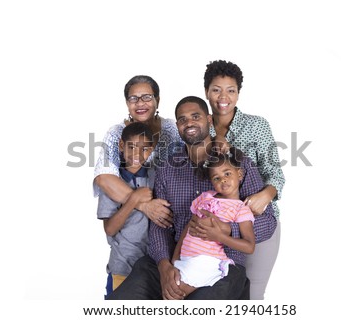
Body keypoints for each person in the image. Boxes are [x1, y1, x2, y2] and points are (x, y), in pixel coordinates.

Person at [107, 96, 277, 300]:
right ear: (177, 126)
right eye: (182, 119)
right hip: (175, 260)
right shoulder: (167, 169)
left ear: (209, 120)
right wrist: (163, 265)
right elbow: (160, 226)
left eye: (195, 116)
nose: (189, 123)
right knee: (122, 302)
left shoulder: (237, 164)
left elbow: (268, 222)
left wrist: (226, 230)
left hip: (221, 266)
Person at [203, 60, 286, 299]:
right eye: (216, 89)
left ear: (238, 93)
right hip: (216, 227)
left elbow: (275, 173)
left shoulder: (257, 126)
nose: (223, 97)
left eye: (231, 90)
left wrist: (266, 194)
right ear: (207, 91)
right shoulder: (199, 127)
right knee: (214, 296)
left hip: (257, 222)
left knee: (251, 296)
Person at [94, 75, 183, 231]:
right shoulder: (117, 133)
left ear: (158, 100)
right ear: (127, 104)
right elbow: (104, 178)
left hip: (169, 219)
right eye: (133, 98)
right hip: (130, 225)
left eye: (147, 97)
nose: (140, 103)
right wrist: (145, 206)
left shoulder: (171, 129)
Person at [171, 147, 255, 297]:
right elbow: (189, 226)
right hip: (186, 258)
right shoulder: (206, 197)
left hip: (207, 262)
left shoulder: (241, 210)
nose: (223, 180)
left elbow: (249, 247)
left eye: (227, 174)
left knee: (176, 292)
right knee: (170, 289)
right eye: (216, 178)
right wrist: (175, 258)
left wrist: (220, 237)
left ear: (239, 174)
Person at [97, 122, 155, 298]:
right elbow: (110, 228)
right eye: (132, 147)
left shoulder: (156, 176)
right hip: (122, 266)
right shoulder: (112, 183)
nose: (138, 154)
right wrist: (134, 198)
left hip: (152, 266)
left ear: (151, 150)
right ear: (121, 146)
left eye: (144, 148)